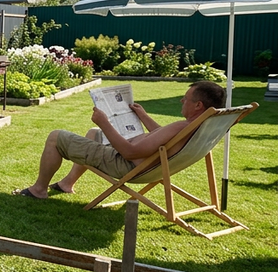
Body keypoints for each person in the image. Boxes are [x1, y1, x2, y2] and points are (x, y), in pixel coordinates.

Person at [18, 81, 226, 199]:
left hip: (125, 165)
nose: (182, 100)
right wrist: (143, 116)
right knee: (92, 134)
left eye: (186, 98)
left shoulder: (183, 126)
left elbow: (129, 152)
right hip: (150, 167)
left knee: (56, 137)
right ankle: (66, 183)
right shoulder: (201, 127)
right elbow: (168, 141)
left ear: (198, 106)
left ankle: (38, 190)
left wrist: (104, 122)